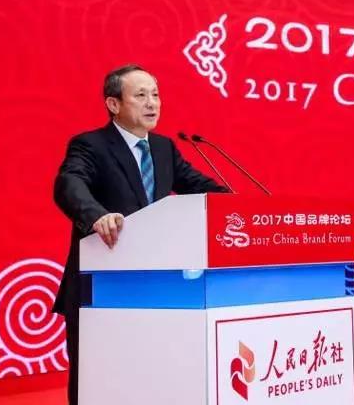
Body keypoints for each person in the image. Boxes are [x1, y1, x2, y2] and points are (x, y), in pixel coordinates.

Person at [52, 64, 229, 405]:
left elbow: (197, 186)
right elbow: (69, 183)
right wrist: (96, 216)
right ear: (114, 104)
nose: (152, 103)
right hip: (100, 286)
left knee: (147, 375)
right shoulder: (90, 145)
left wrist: (239, 205)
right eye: (141, 95)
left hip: (157, 288)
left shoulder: (163, 148)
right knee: (94, 379)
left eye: (156, 95)